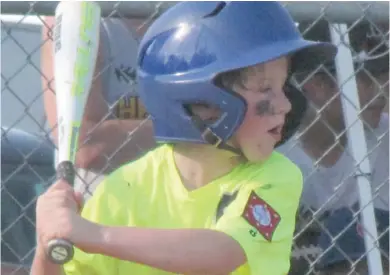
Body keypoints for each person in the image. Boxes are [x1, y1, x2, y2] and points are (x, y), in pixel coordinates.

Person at [31, 2, 337, 275]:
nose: (284, 105)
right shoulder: (121, 191)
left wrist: (95, 235)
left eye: (284, 88)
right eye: (264, 89)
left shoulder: (274, 178)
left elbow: (219, 254)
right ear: (200, 102)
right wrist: (50, 243)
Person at [278, 20, 389, 275]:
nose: (381, 92)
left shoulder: (384, 139)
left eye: (383, 77)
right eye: (366, 80)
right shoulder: (276, 150)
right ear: (317, 86)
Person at [41, 15, 156, 200]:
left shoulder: (188, 17)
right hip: (100, 213)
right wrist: (186, 129)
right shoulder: (78, 17)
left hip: (175, 208)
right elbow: (86, 145)